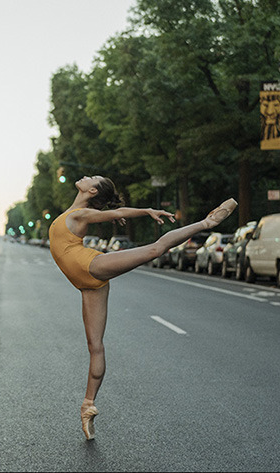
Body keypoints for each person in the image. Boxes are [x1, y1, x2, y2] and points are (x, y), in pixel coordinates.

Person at [48, 175, 237, 441]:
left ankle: (208, 222)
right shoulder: (76, 213)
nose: (87, 176)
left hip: (91, 266)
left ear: (91, 190)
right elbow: (115, 212)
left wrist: (146, 211)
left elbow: (119, 211)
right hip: (88, 284)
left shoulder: (81, 215)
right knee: (95, 346)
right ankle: (88, 405)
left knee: (154, 250)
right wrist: (127, 213)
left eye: (93, 178)